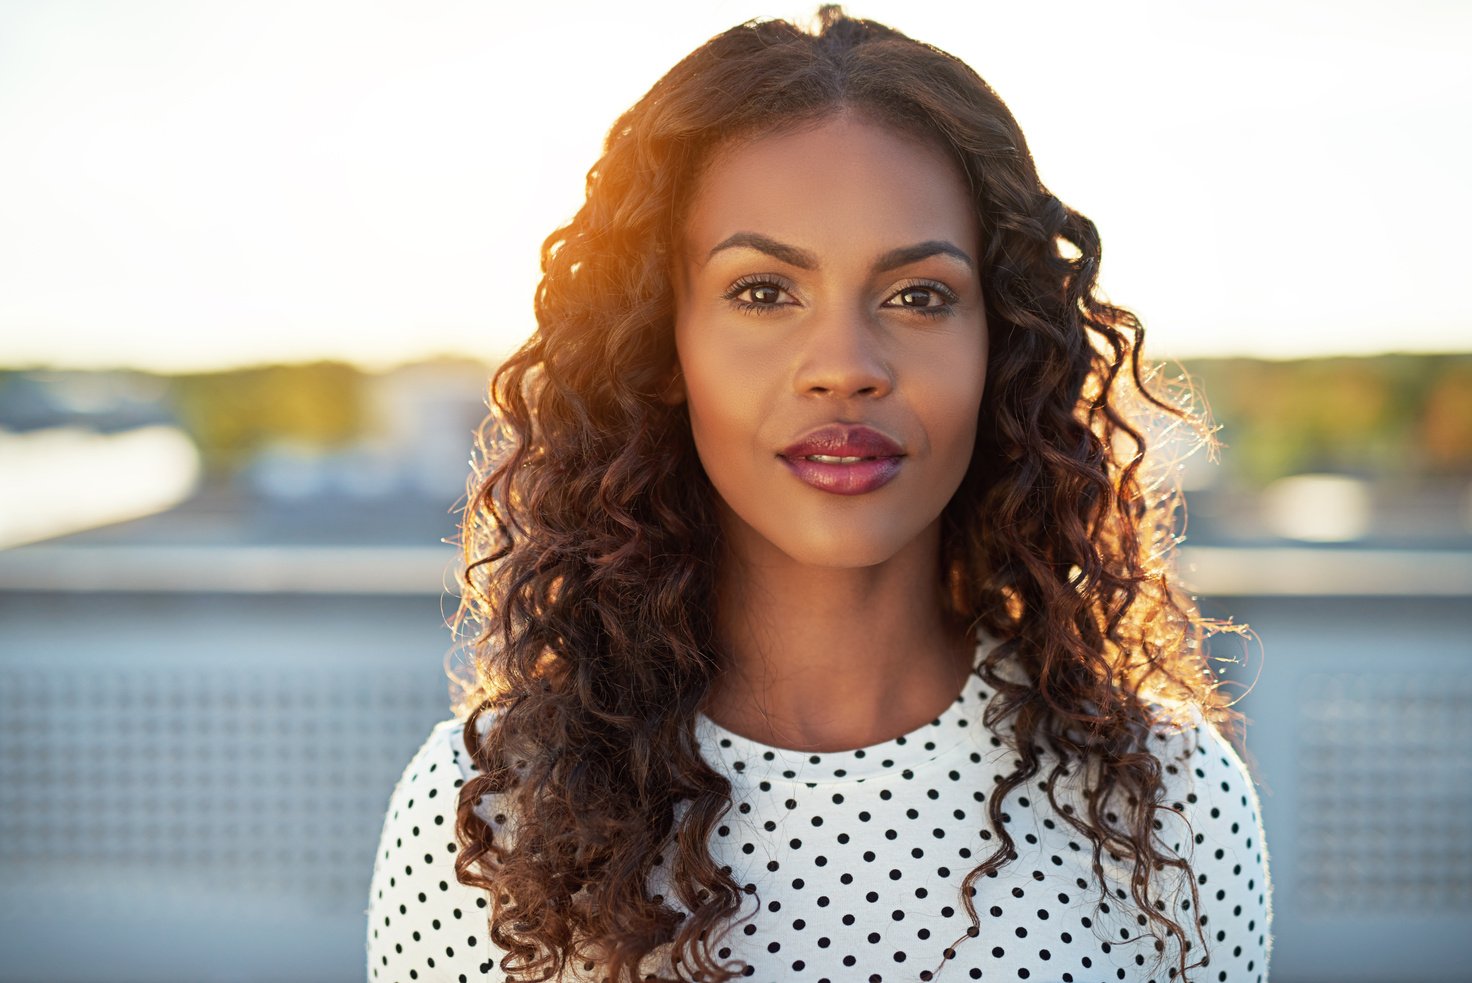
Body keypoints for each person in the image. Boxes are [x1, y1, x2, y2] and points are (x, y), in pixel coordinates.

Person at [366, 7, 1271, 982]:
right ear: (661, 344)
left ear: (997, 343)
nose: (844, 366)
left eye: (917, 295)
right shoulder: (487, 810)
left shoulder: (1171, 796)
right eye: (762, 291)